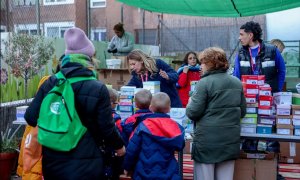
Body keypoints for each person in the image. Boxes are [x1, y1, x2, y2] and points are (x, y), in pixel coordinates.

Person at [24, 27, 125, 179]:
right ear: (89, 59)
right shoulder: (98, 88)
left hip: (53, 163)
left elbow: (30, 117)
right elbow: (107, 128)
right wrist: (119, 147)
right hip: (87, 163)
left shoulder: (51, 83)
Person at [186, 47, 246, 180]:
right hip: (230, 141)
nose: (200, 65)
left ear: (210, 64)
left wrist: (190, 101)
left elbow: (193, 112)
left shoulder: (204, 83)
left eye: (203, 62)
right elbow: (242, 111)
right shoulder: (237, 82)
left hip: (207, 142)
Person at [123, 92, 185, 179]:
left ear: (150, 107)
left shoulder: (142, 126)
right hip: (168, 172)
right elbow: (180, 145)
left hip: (143, 172)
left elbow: (131, 150)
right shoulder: (176, 127)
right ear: (169, 109)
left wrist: (127, 167)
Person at [233, 21, 286, 93]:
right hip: (249, 97)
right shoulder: (240, 53)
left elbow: (282, 71)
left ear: (250, 35)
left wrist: (277, 90)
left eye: (242, 35)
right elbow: (236, 76)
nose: (239, 38)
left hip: (268, 97)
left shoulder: (273, 50)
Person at [103, 88, 123, 180]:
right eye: (116, 103)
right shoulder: (116, 118)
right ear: (111, 103)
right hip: (112, 151)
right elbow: (120, 134)